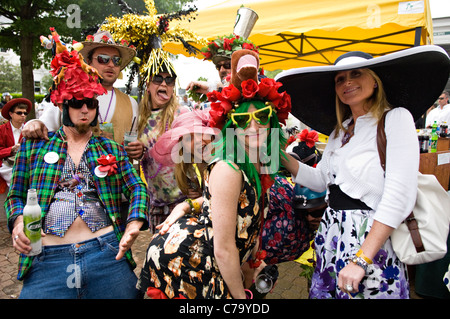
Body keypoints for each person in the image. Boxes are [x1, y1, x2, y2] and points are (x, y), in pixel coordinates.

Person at [276, 46, 450, 299]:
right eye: (340, 79)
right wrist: (276, 154)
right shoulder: (340, 131)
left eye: (356, 74)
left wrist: (361, 260)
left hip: (370, 243)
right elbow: (321, 181)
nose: (347, 82)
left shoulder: (395, 119)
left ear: (375, 81)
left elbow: (399, 197)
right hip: (332, 237)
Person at [4, 29, 150, 299]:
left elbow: (138, 187)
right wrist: (17, 223)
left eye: (91, 104)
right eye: (78, 104)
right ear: (63, 105)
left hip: (106, 252)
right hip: (46, 257)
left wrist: (134, 222)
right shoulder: (35, 145)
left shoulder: (111, 148)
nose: (85, 110)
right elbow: (16, 193)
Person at [136, 49, 292, 299]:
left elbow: (227, 204)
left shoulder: (259, 160)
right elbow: (224, 249)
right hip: (195, 267)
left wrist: (186, 206)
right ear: (231, 125)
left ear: (273, 119)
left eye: (262, 116)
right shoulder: (228, 169)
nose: (253, 126)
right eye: (242, 119)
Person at [21, 30, 144, 160]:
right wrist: (34, 123)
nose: (111, 64)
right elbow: (43, 126)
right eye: (103, 59)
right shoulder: (70, 95)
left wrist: (139, 151)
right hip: (75, 176)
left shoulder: (131, 103)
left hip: (118, 176)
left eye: (117, 60)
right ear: (89, 62)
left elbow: (134, 143)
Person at [135, 59, 189, 233]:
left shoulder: (182, 114)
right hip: (156, 205)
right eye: (158, 79)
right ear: (148, 85)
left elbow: (195, 156)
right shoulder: (137, 118)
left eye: (170, 80)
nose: (164, 83)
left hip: (184, 201)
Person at [186, 34, 259, 96]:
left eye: (227, 65)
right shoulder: (222, 95)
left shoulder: (261, 84)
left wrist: (213, 86)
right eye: (218, 66)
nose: (222, 70)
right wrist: (211, 88)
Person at [0, 98, 32, 188]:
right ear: (11, 114)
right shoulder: (1, 130)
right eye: (19, 113)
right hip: (5, 166)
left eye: (25, 113)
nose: (23, 115)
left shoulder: (30, 129)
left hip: (25, 164)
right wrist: (12, 149)